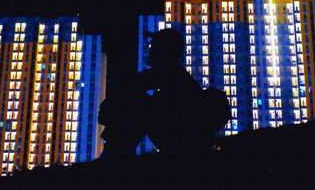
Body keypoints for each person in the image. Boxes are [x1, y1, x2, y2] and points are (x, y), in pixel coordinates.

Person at [98, 28, 231, 160]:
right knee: (138, 102)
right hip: (181, 135)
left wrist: (111, 109)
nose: (150, 49)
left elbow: (129, 90)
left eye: (154, 45)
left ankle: (114, 155)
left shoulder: (170, 74)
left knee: (139, 104)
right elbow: (128, 89)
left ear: (164, 50)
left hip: (183, 138)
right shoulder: (172, 74)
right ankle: (114, 154)